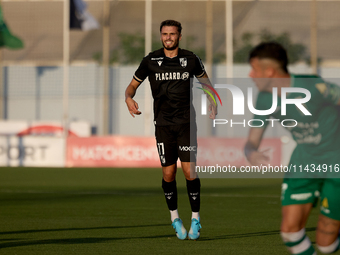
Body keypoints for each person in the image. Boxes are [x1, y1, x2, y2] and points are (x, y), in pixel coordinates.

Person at [244, 42, 340, 254]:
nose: (251, 75)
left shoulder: (313, 86)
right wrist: (251, 153)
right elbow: (252, 140)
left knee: (326, 246)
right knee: (290, 232)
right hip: (304, 161)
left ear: (269, 71)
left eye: (254, 69)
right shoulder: (264, 99)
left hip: (336, 160)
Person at [125, 20, 216, 240]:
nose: (168, 37)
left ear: (180, 36)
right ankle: (175, 217)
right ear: (161, 36)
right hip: (163, 125)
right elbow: (132, 85)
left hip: (186, 123)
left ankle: (195, 217)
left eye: (172, 34)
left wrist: (212, 101)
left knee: (189, 171)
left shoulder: (191, 59)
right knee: (168, 173)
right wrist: (128, 98)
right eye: (165, 34)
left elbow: (207, 85)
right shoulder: (150, 61)